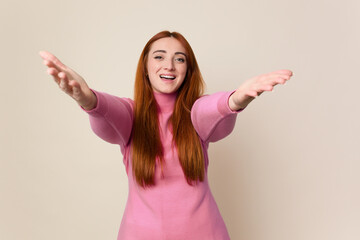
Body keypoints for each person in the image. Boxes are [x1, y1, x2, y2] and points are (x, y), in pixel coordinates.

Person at [39, 31, 293, 240]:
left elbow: (211, 112)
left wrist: (236, 99)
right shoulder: (131, 115)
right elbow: (108, 113)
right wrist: (87, 98)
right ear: (146, 68)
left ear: (188, 71)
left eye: (179, 59)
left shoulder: (195, 114)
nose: (169, 65)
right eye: (159, 56)